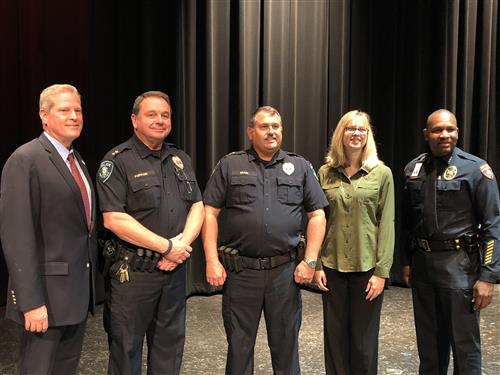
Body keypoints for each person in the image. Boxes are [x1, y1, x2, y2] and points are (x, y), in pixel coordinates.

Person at [202, 106, 328, 375]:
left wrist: (311, 261)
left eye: (276, 126)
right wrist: (212, 260)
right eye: (264, 126)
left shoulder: (301, 166)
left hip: (285, 273)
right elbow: (209, 213)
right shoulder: (230, 164)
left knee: (286, 348)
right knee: (239, 348)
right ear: (251, 132)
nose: (272, 131)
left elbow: (318, 215)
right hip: (241, 273)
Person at [96, 91, 204, 374]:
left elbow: (198, 206)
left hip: (173, 272)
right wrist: (166, 247)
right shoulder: (118, 160)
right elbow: (113, 219)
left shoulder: (180, 158)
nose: (160, 120)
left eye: (165, 115)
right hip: (133, 275)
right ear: (135, 120)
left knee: (170, 350)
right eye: (151, 115)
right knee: (126, 351)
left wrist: (180, 247)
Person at [0, 84, 98, 374]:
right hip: (44, 300)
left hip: (74, 297)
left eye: (78, 110)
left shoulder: (76, 160)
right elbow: (17, 236)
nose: (74, 116)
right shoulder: (25, 159)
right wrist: (30, 302)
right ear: (44, 116)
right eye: (64, 110)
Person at [402, 109, 500, 374]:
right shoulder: (413, 169)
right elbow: (407, 222)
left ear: (457, 132)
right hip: (424, 269)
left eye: (450, 129)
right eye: (437, 130)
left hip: (460, 270)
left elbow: (493, 224)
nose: (444, 135)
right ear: (426, 134)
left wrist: (489, 276)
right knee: (430, 351)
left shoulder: (476, 170)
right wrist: (407, 261)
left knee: (465, 349)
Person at [314, 110, 395, 374]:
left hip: (367, 269)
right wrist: (315, 265)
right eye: (350, 128)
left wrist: (382, 272)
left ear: (368, 135)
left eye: (362, 129)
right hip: (332, 268)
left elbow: (387, 224)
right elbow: (318, 221)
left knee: (363, 343)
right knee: (335, 341)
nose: (356, 134)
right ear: (341, 134)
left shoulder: (382, 174)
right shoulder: (325, 173)